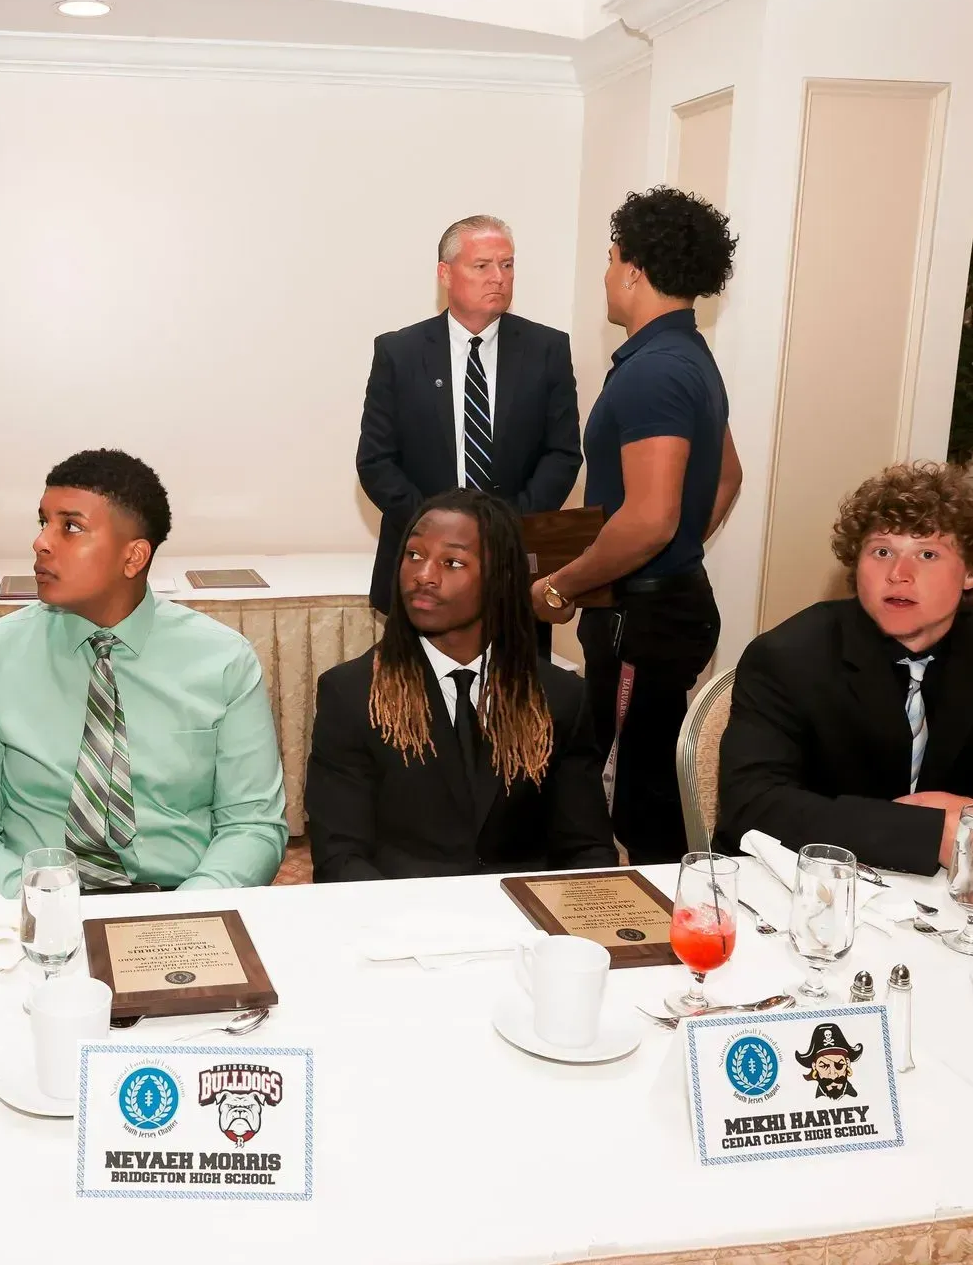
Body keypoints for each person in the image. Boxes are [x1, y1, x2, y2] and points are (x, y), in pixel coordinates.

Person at [716, 463, 973, 874]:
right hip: (821, 889)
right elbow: (752, 805)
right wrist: (927, 833)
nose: (899, 574)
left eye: (928, 554)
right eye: (882, 551)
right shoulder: (789, 656)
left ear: (972, 571)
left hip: (961, 895)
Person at [0, 449, 287, 894]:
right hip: (28, 902)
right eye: (43, 522)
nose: (41, 543)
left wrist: (184, 913)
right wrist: (45, 908)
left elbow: (252, 826)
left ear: (133, 557)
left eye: (71, 527)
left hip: (180, 899)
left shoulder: (223, 660)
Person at [532, 187, 742, 864]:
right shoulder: (688, 358)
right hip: (660, 607)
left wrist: (563, 586)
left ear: (634, 269)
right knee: (646, 784)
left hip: (642, 624)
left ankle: (653, 940)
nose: (605, 274)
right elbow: (726, 478)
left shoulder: (655, 372)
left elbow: (649, 519)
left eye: (611, 256)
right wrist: (670, 554)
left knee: (629, 806)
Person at [308, 490, 615, 879]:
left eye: (452, 562)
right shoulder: (351, 695)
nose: (423, 575)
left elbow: (586, 849)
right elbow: (340, 856)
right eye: (414, 555)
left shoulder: (558, 697)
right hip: (399, 917)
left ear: (501, 578)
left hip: (525, 921)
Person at [356, 214, 582, 613]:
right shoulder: (399, 353)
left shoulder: (547, 349)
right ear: (445, 274)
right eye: (483, 266)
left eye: (507, 265)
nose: (499, 277)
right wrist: (439, 531)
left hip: (514, 564)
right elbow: (376, 461)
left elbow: (562, 453)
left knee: (515, 677)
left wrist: (505, 527)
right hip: (420, 571)